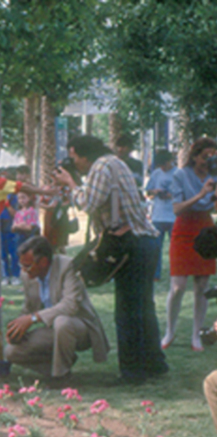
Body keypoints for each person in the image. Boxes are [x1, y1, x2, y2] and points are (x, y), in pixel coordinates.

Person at [54, 135, 167, 383]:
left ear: (84, 155)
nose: (75, 163)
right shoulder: (114, 162)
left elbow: (88, 203)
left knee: (127, 312)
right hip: (144, 241)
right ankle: (155, 364)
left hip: (130, 244)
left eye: (74, 158)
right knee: (143, 308)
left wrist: (71, 183)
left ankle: (132, 373)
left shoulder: (101, 167)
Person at [5, 235, 109, 388]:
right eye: (21, 265)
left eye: (27, 265)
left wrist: (33, 318)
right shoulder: (27, 275)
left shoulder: (68, 266)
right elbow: (29, 308)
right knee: (11, 352)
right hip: (53, 328)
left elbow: (70, 305)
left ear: (43, 262)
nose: (23, 270)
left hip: (81, 326)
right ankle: (56, 367)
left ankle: (61, 376)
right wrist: (17, 328)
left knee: (62, 322)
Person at [161, 137, 217, 351]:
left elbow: (213, 208)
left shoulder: (215, 174)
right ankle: (170, 331)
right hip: (184, 228)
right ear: (194, 156)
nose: (208, 161)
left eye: (212, 156)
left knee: (202, 285)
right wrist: (202, 193)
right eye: (204, 157)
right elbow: (177, 209)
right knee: (178, 286)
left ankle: (196, 335)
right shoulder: (181, 175)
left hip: (206, 229)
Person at [145, 149, 179, 280]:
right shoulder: (156, 173)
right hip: (158, 216)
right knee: (155, 248)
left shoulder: (178, 174)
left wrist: (171, 195)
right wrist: (155, 191)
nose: (163, 168)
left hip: (173, 216)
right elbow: (148, 192)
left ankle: (176, 272)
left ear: (170, 161)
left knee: (175, 248)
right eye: (160, 165)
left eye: (164, 164)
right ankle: (155, 274)